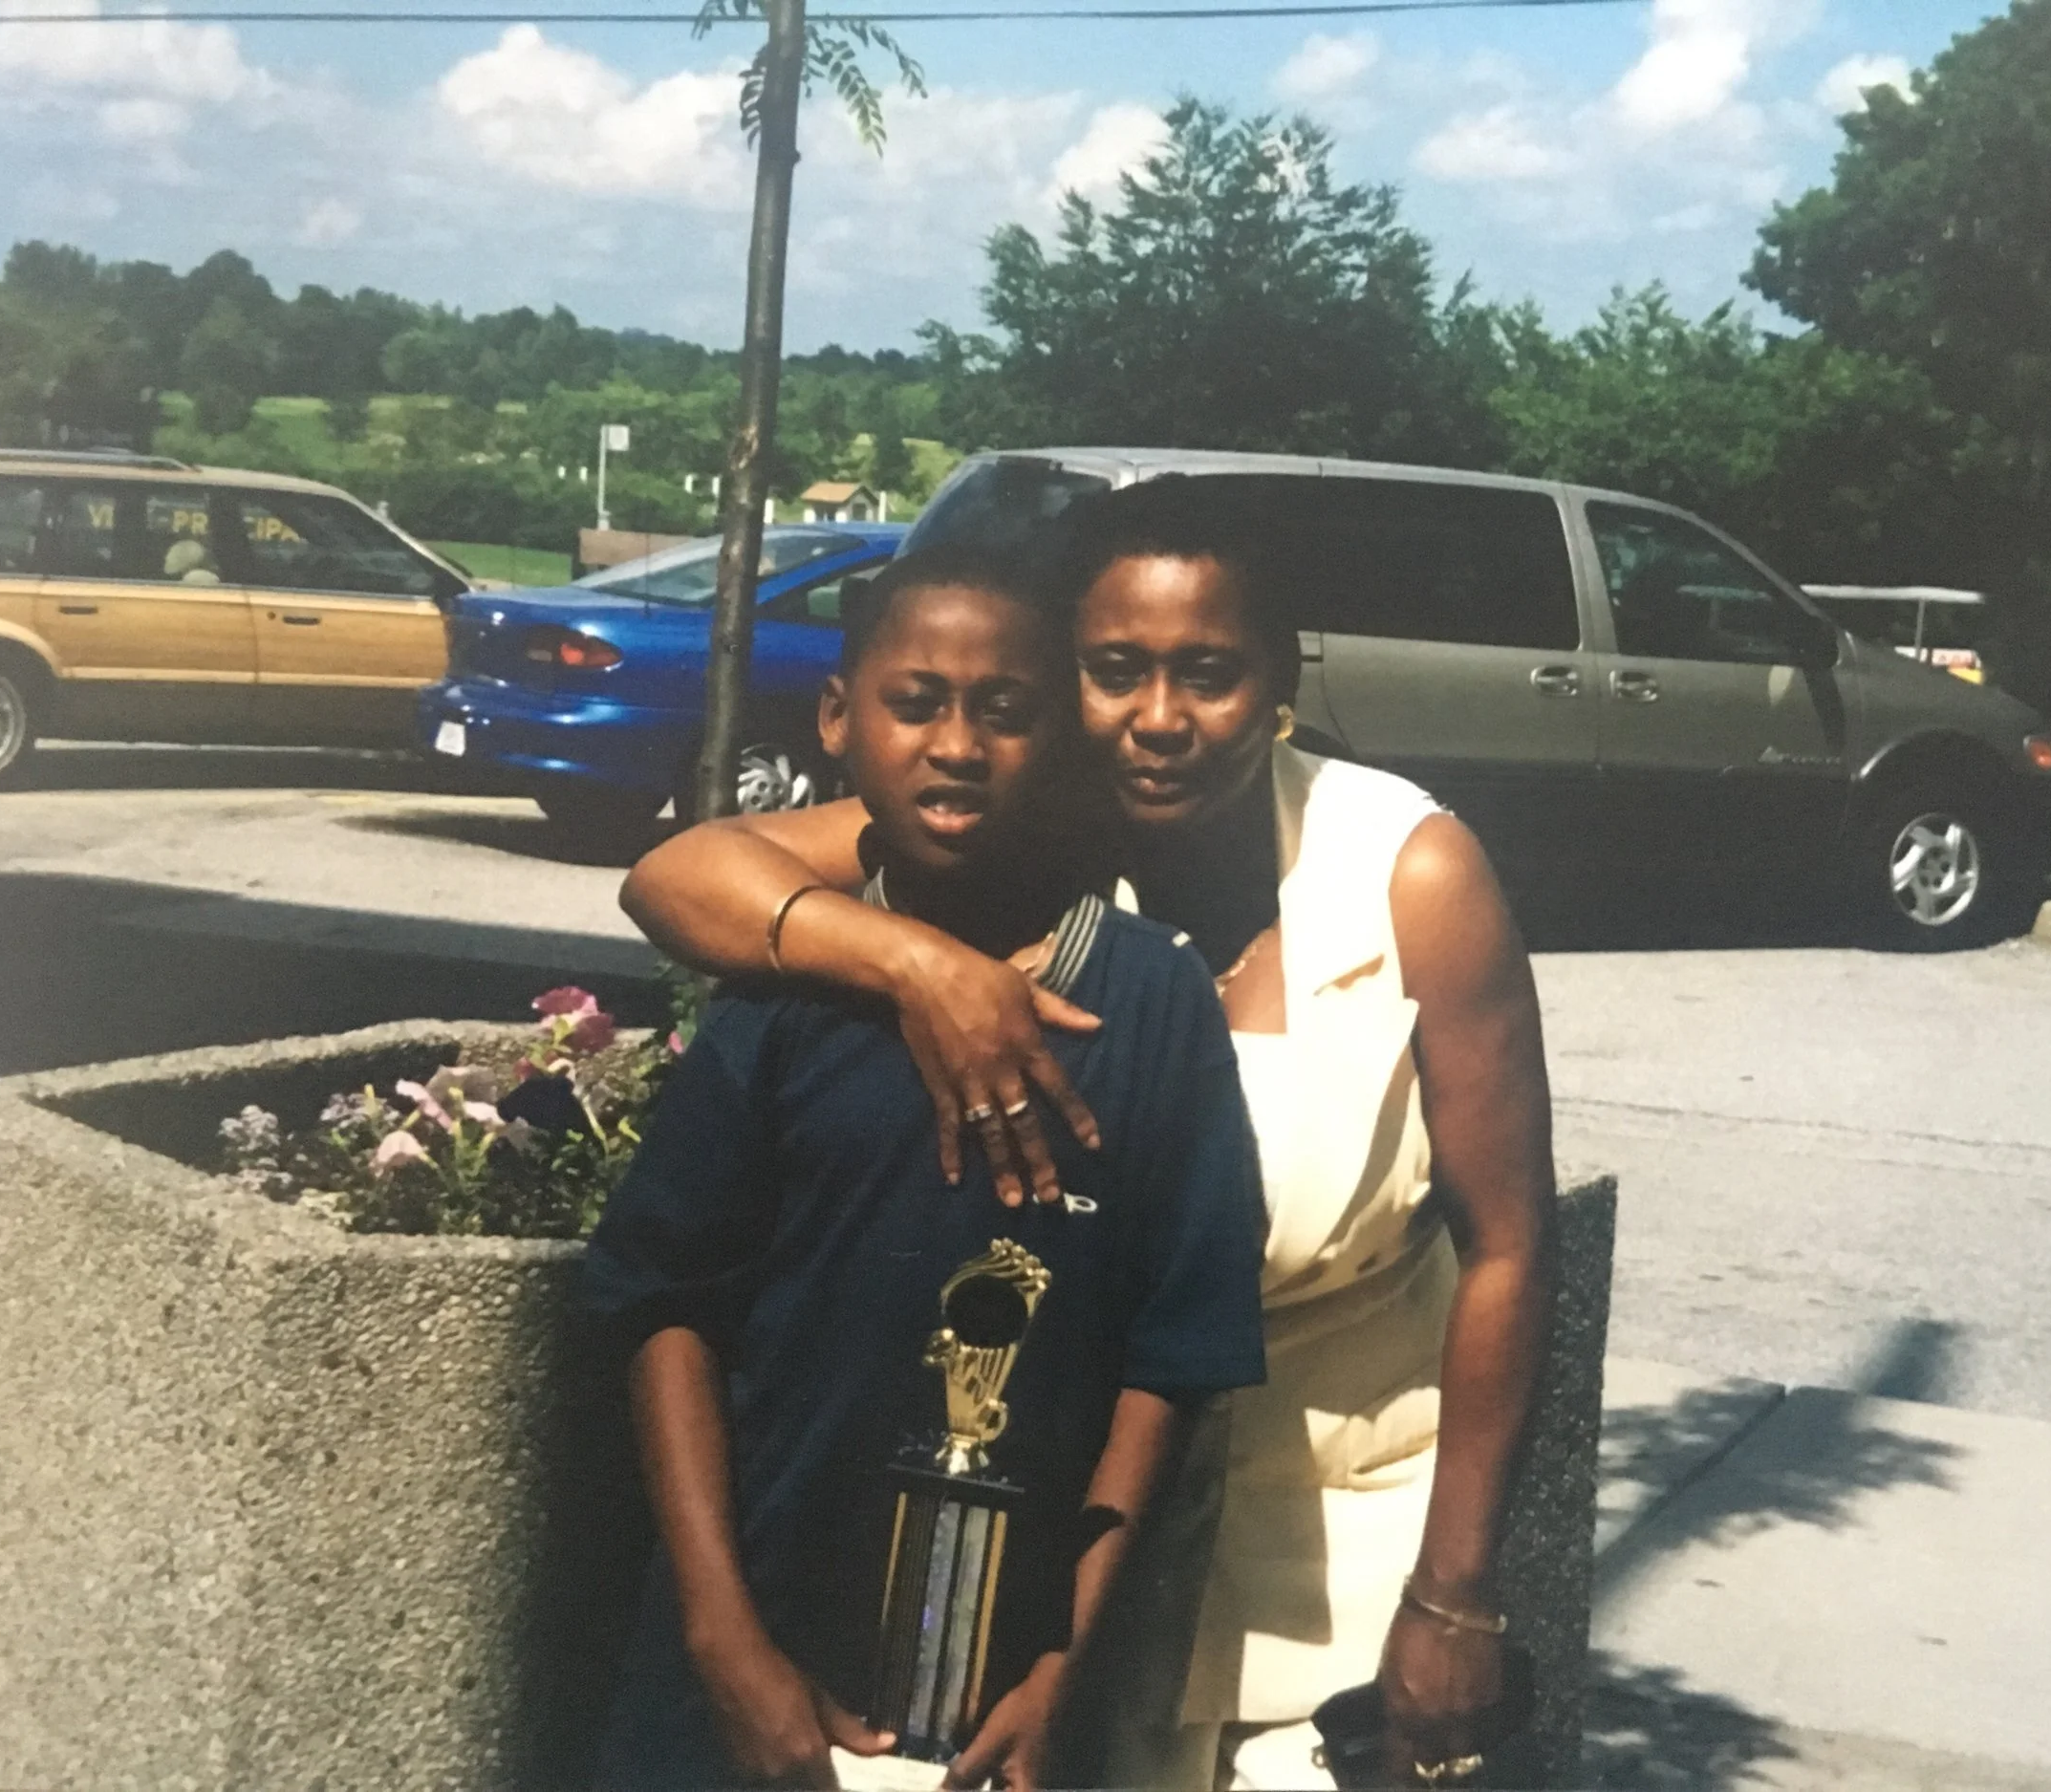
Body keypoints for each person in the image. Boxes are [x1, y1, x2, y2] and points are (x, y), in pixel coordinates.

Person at [620, 479, 1556, 1790]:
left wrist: (1458, 1593)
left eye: (1210, 674)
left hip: (1337, 1531)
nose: (1160, 720)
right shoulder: (1020, 834)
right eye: (1115, 671)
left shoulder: (1407, 870)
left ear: (1280, 678)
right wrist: (909, 961)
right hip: (1073, 1550)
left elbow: (1510, 1243)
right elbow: (681, 874)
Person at [584, 544, 1269, 1792]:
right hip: (759, 1650)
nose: (958, 743)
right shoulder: (786, 992)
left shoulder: (1154, 1001)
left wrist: (1064, 1658)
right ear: (840, 720)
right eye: (917, 702)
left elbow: (1173, 1357)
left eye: (1006, 711)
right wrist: (719, 1633)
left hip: (1006, 1693)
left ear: (1063, 732)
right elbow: (667, 1300)